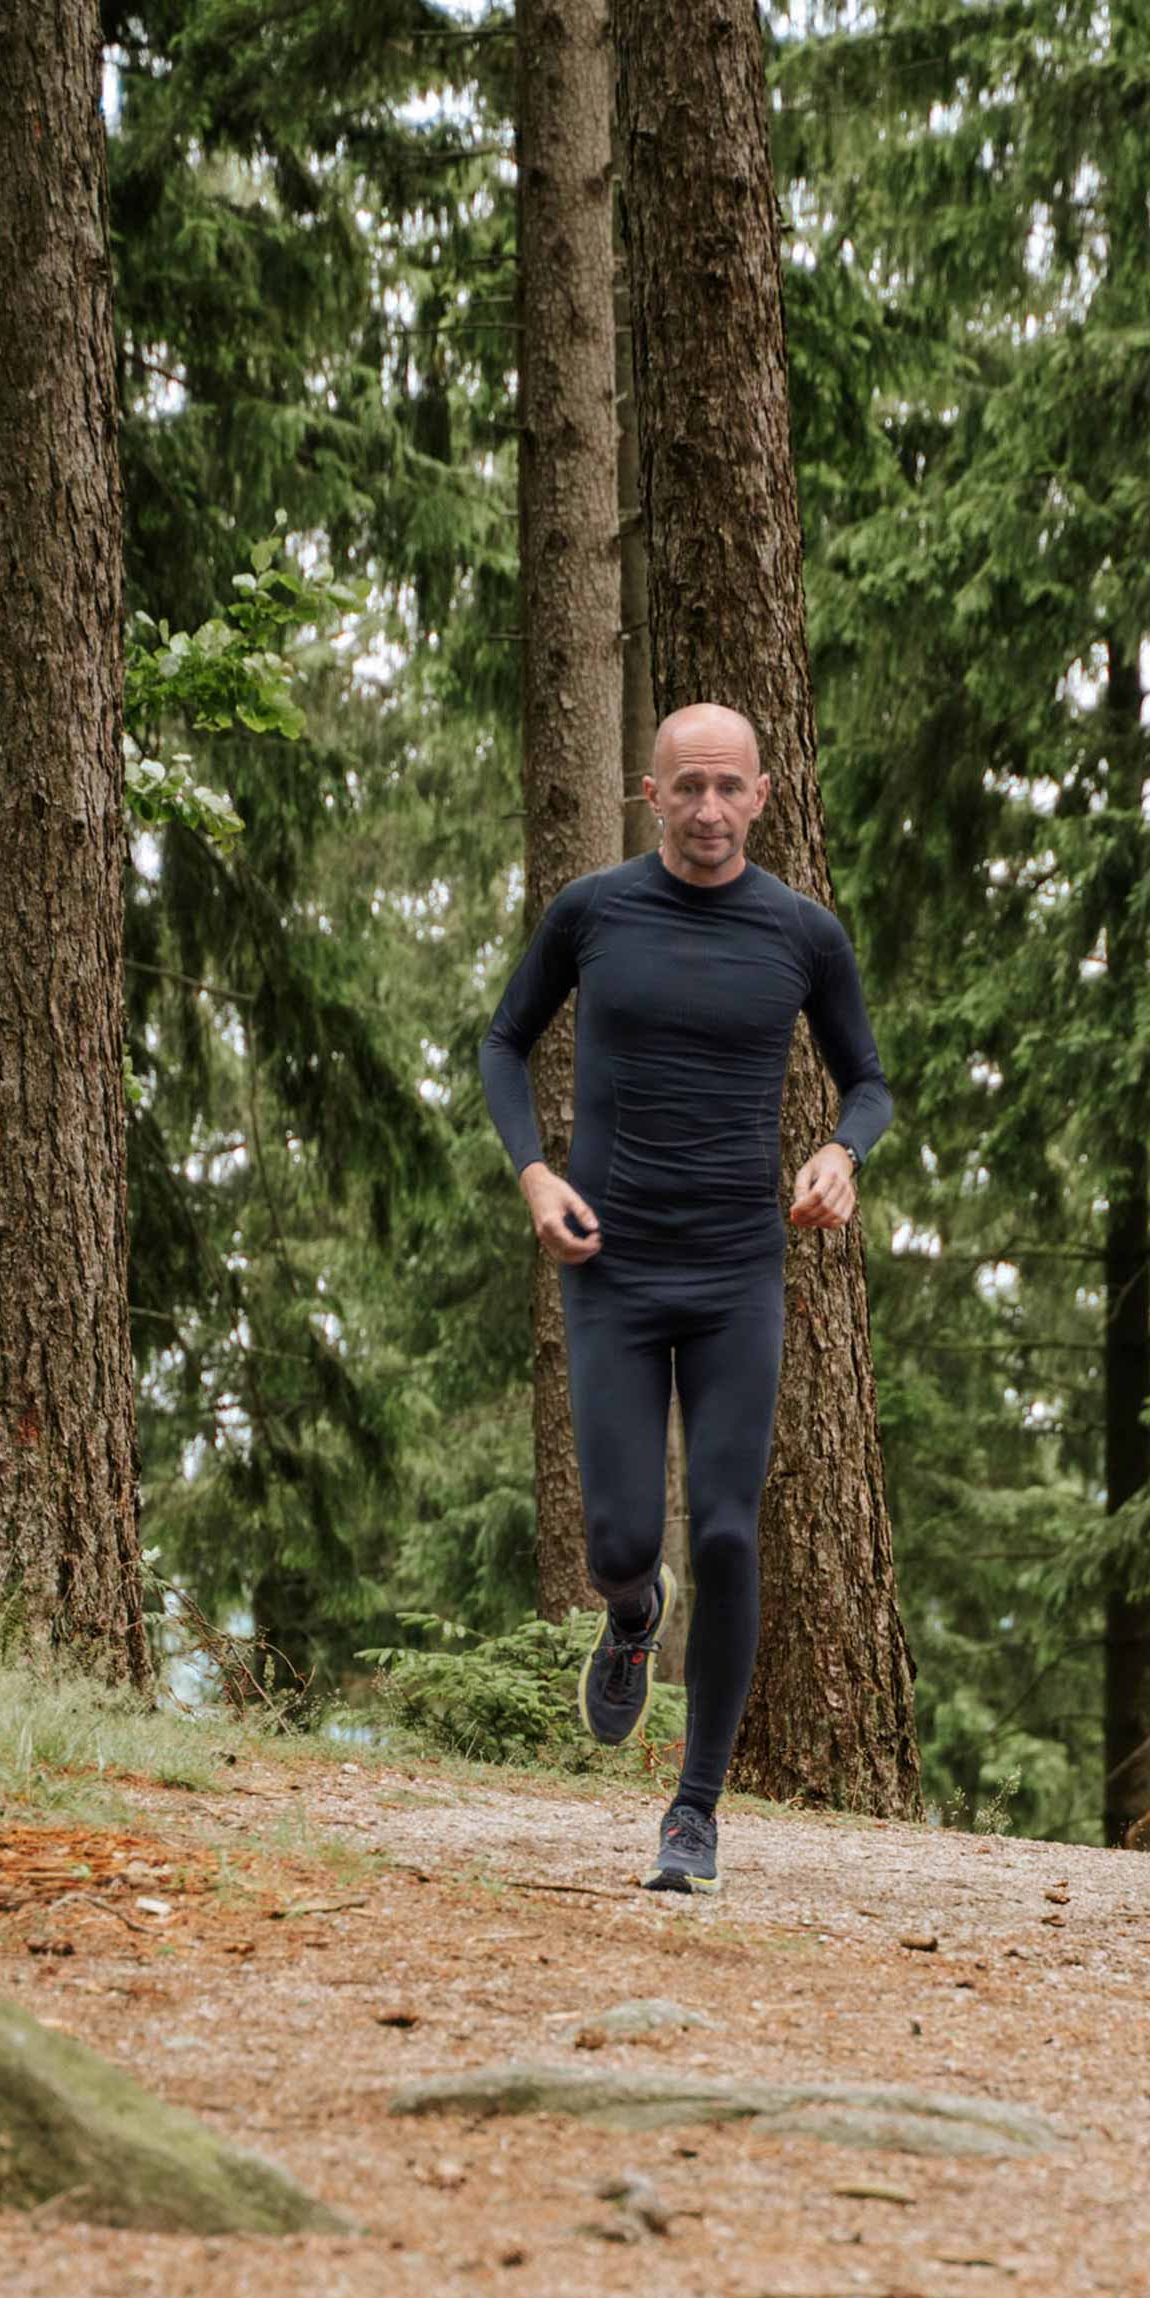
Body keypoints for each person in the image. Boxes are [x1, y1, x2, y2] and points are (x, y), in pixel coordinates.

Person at [479, 703, 891, 1895]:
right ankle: (629, 1615)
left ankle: (694, 1810)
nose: (709, 811)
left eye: (730, 789)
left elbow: (866, 1081)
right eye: (687, 788)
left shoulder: (803, 935)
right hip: (609, 1260)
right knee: (621, 1541)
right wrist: (535, 1171)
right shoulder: (593, 913)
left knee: (725, 1524)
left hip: (734, 1272)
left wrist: (840, 1157)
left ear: (764, 795)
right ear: (649, 795)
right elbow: (505, 1044)